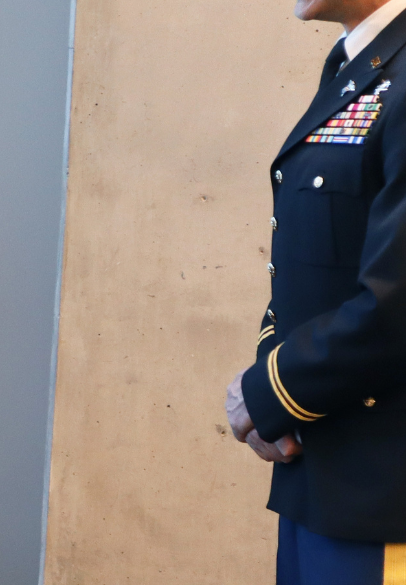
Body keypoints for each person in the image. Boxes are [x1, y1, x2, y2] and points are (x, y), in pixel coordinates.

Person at [224, 0, 406, 580]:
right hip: (320, 468)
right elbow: (313, 269)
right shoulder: (362, 64)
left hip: (381, 487)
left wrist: (268, 393)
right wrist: (275, 401)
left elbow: (395, 303)